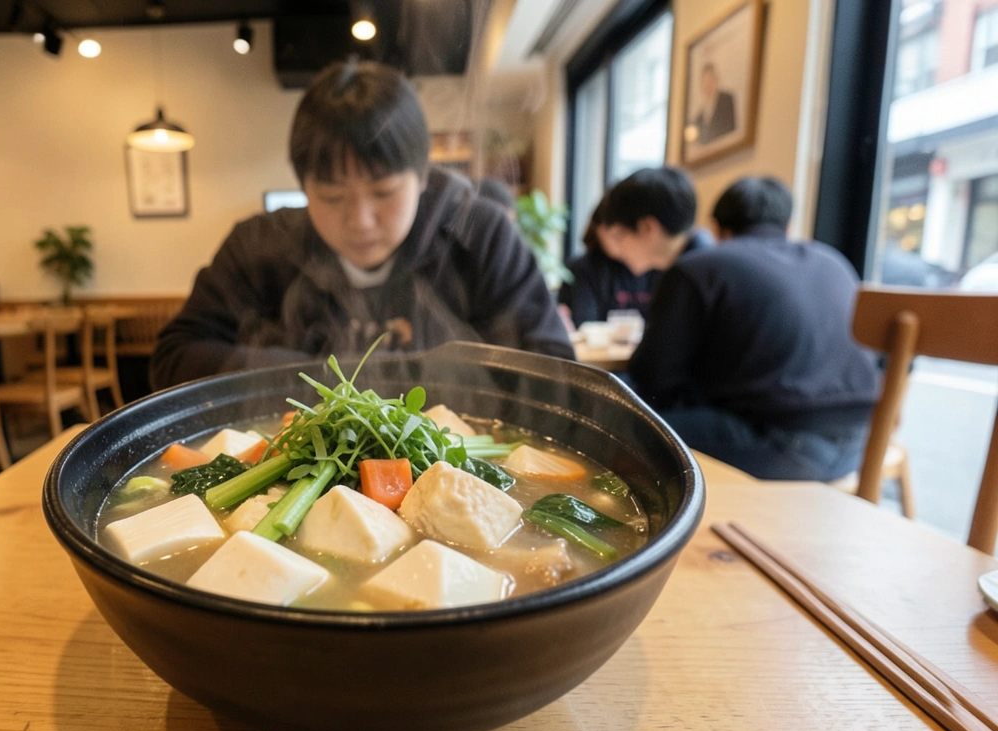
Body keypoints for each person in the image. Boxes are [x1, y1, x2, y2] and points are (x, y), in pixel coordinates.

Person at [151, 60, 574, 389]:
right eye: (332, 197)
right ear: (303, 187)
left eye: (384, 192)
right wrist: (312, 376)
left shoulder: (479, 236)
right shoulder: (257, 248)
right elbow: (173, 359)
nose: (360, 220)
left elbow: (556, 373)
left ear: (422, 176)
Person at [625, 175, 881, 481]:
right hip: (861, 444)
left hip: (783, 449)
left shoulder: (699, 268)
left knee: (628, 429)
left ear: (719, 229)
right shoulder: (832, 260)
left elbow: (653, 376)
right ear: (787, 226)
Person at [558, 197, 667, 326]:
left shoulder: (663, 266)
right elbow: (584, 325)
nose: (621, 242)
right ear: (599, 229)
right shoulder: (583, 269)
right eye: (616, 234)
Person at [694, 63, 737, 145]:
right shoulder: (699, 117)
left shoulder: (727, 100)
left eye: (710, 80)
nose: (708, 85)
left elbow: (732, 131)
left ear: (716, 80)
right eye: (704, 81)